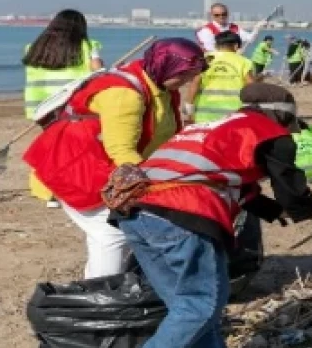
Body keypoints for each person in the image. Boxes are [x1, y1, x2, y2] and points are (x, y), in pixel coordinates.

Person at [108, 83, 312, 348]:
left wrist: (273, 211)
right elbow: (295, 197)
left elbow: (233, 184)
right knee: (203, 301)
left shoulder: (215, 127)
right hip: (179, 212)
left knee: (186, 301)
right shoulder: (271, 134)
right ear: (283, 115)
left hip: (135, 212)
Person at [24, 39, 206, 278]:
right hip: (75, 168)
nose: (185, 83)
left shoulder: (161, 88)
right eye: (182, 76)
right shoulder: (124, 95)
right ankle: (100, 296)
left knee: (129, 227)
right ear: (166, 65)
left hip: (105, 169)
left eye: (191, 76)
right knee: (111, 234)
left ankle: (114, 286)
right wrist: (155, 189)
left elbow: (164, 138)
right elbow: (121, 151)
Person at [22, 10, 105, 208]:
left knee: (51, 148)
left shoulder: (33, 48)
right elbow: (99, 72)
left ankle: (49, 192)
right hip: (72, 106)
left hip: (41, 106)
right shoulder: (87, 47)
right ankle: (66, 190)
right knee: (72, 149)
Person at [190, 31, 256, 125]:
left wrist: (187, 112)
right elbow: (252, 87)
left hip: (204, 113)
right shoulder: (244, 62)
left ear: (216, 45)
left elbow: (194, 85)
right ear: (236, 46)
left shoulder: (205, 59)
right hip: (233, 114)